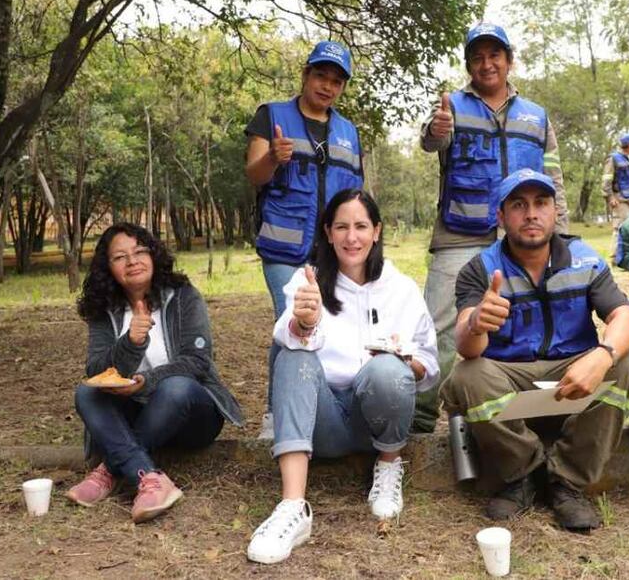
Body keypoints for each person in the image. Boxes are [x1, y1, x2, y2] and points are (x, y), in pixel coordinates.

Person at [439, 169, 629, 530]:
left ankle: (567, 483)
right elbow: (466, 347)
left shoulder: (585, 259)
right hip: (509, 377)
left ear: (555, 213)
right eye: (518, 205)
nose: (531, 213)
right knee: (467, 375)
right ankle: (524, 475)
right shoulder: (480, 268)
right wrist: (476, 324)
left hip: (572, 375)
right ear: (501, 217)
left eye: (541, 203)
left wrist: (602, 356)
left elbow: (626, 318)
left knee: (627, 366)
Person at [247, 189, 439, 564]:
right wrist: (305, 322)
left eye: (361, 226)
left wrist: (403, 361)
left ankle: (387, 468)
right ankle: (292, 507)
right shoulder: (308, 282)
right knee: (292, 355)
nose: (352, 237)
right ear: (328, 232)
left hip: (378, 421)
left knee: (386, 369)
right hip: (324, 422)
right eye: (342, 227)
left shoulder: (401, 289)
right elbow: (284, 336)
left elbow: (429, 367)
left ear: (377, 231)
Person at [415, 22, 568, 434]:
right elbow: (431, 141)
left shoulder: (536, 115)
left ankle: (517, 414)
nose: (487, 64)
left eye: (494, 55)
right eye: (478, 57)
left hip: (521, 234)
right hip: (459, 231)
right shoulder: (452, 106)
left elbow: (553, 178)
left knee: (524, 321)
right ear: (468, 65)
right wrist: (436, 130)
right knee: (441, 324)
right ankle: (421, 417)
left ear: (509, 61)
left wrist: (562, 233)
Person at [68, 223, 243, 523]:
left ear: (153, 255)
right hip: (136, 416)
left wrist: (145, 383)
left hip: (190, 415)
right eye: (120, 257)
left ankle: (110, 469)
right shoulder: (103, 309)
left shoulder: (184, 296)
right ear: (108, 268)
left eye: (139, 251)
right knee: (86, 392)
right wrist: (131, 344)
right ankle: (148, 477)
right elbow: (96, 371)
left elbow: (197, 362)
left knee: (175, 388)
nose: (132, 261)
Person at [244, 40, 363, 439]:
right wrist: (273, 158)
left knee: (323, 325)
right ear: (306, 75)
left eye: (336, 81)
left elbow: (355, 195)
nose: (327, 86)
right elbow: (254, 174)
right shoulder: (272, 116)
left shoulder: (348, 132)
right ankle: (277, 416)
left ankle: (313, 407)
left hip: (332, 252)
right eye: (320, 76)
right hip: (284, 250)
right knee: (290, 322)